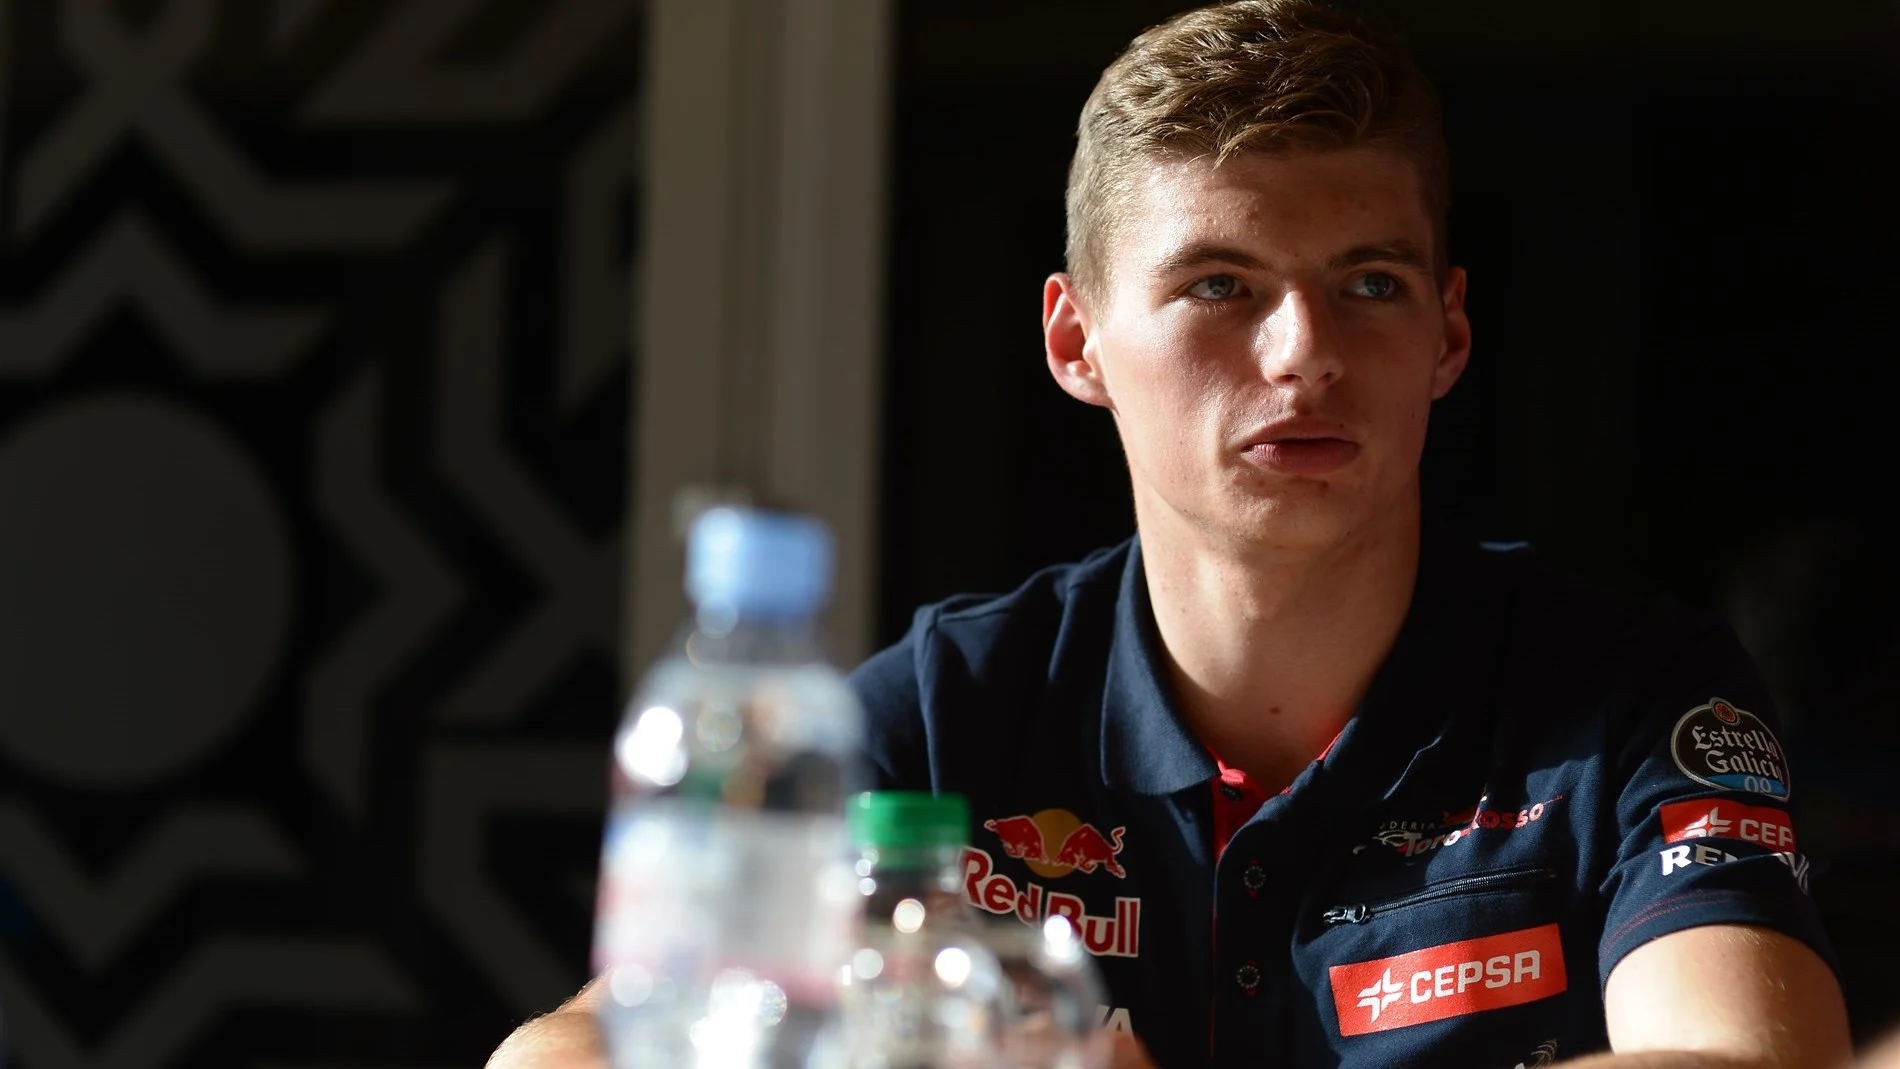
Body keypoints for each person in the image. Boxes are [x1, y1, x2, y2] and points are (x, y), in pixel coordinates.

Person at [490, 2, 1850, 1066]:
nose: (1303, 351)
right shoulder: (945, 712)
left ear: (1448, 333)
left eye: (1369, 283)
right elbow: (573, 1049)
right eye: (1220, 284)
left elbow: (1740, 1060)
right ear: (1076, 341)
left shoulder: (1634, 695)